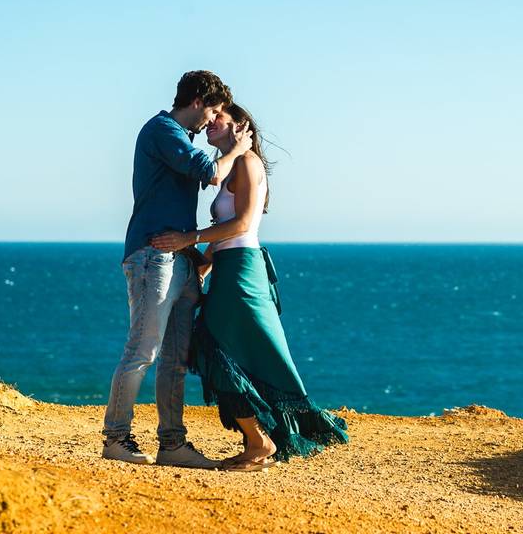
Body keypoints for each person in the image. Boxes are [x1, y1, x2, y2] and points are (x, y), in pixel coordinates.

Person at [151, 102, 349, 472]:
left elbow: (241, 225)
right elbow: (226, 233)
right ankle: (256, 440)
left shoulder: (247, 163)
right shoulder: (233, 164)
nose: (211, 122)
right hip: (230, 268)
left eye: (219, 117)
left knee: (213, 347)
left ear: (240, 125)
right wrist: (205, 265)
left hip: (242, 271)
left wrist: (186, 238)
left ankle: (259, 442)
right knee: (223, 349)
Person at [102, 71, 253, 466]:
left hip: (181, 259)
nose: (212, 120)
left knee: (173, 359)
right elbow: (212, 172)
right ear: (199, 100)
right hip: (153, 256)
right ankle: (116, 439)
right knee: (142, 351)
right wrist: (236, 149)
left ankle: (172, 444)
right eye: (215, 110)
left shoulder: (178, 137)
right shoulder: (162, 130)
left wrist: (196, 256)